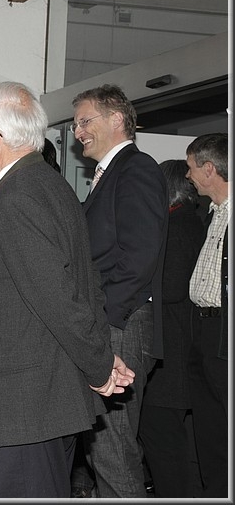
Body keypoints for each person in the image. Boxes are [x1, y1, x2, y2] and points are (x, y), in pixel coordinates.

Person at [0, 81, 134, 498]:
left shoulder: (15, 198)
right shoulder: (48, 185)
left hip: (21, 409)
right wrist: (99, 358)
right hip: (41, 402)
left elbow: (58, 297)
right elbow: (84, 285)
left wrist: (98, 366)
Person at [71, 84, 168, 498]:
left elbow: (139, 256)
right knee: (105, 449)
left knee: (112, 449)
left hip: (120, 326)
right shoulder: (110, 174)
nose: (78, 132)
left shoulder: (136, 169)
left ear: (116, 119)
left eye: (84, 121)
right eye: (75, 125)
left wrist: (102, 319)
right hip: (113, 323)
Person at [138, 159, 205, 498]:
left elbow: (171, 287)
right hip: (181, 355)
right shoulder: (192, 222)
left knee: (165, 448)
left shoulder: (178, 226)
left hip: (171, 360)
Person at [184, 132, 228, 498]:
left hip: (225, 337)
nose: (188, 176)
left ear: (209, 169)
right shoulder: (208, 214)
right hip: (202, 333)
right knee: (210, 433)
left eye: (191, 168)